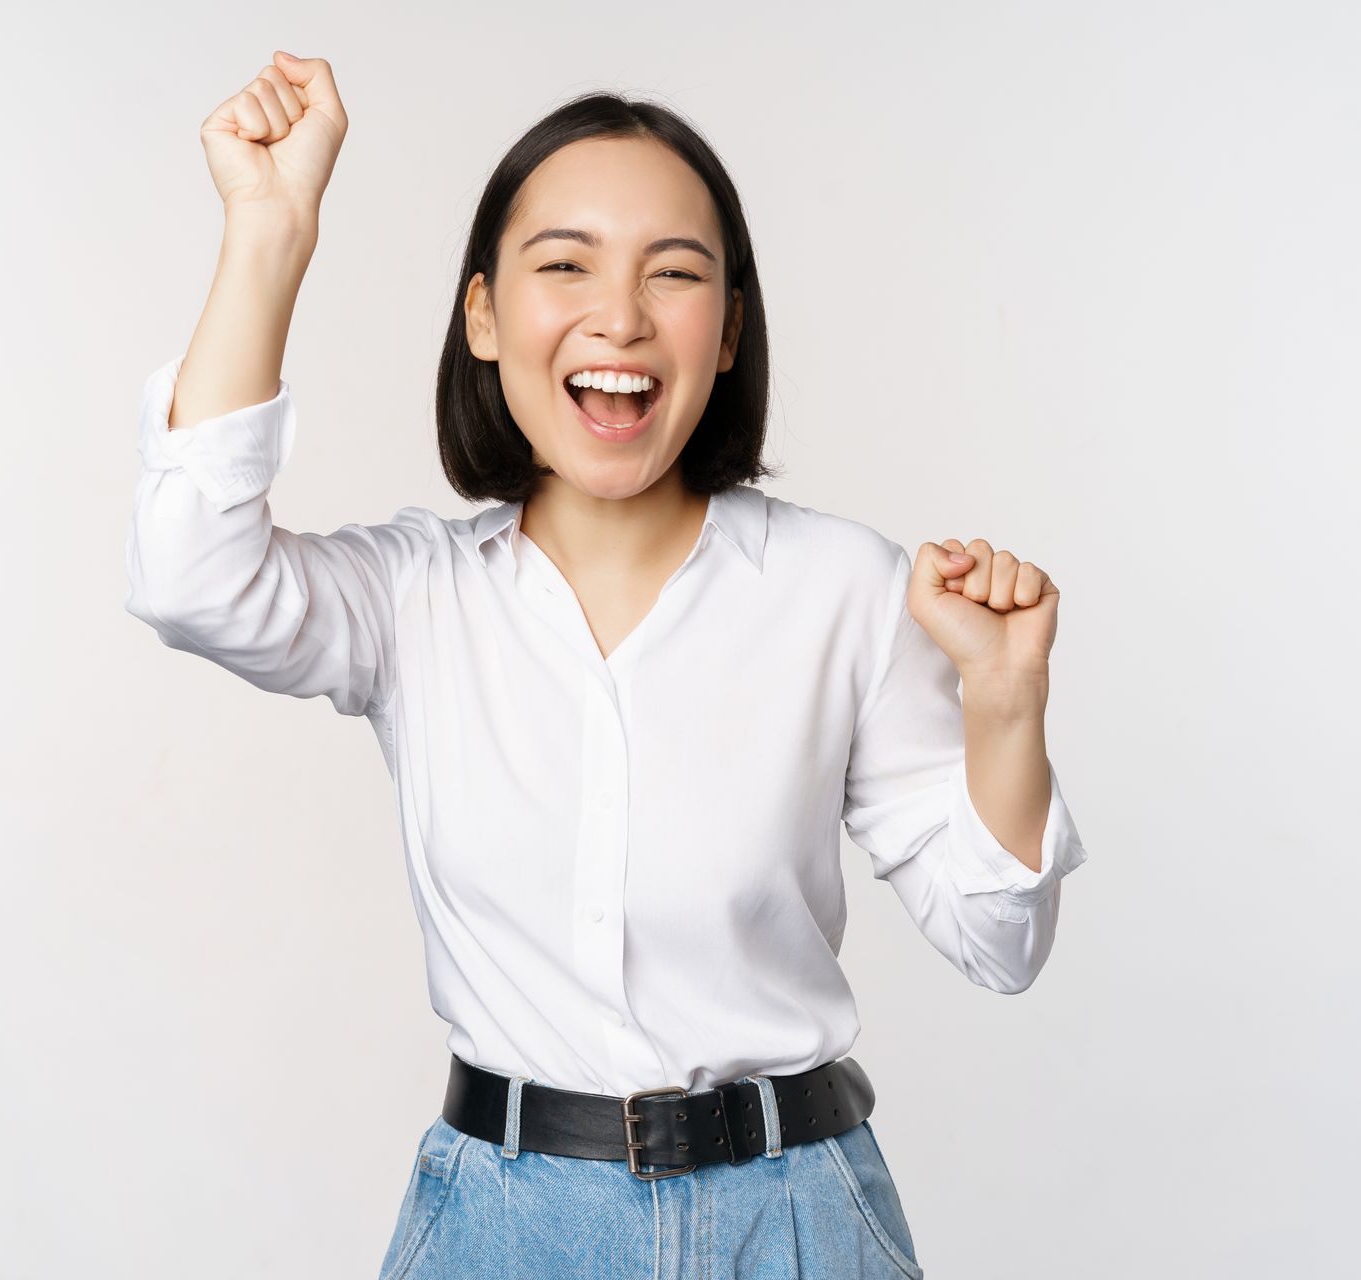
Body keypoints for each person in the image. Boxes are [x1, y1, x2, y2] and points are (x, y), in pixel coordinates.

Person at [123, 50, 1091, 1280]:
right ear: (483, 314)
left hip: (794, 1221)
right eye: (565, 263)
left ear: (729, 328)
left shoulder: (847, 588)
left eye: (673, 274)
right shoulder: (415, 598)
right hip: (502, 1224)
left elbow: (999, 944)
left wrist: (1006, 700)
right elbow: (189, 575)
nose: (620, 318)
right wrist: (272, 228)